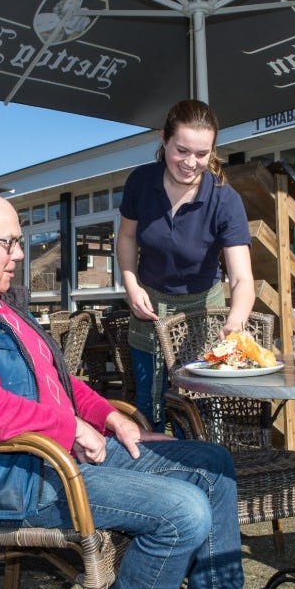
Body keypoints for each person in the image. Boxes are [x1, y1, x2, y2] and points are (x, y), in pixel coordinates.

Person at [0, 192, 251, 589]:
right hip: (13, 478)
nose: (20, 253)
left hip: (59, 455)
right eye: (8, 243)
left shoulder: (6, 307)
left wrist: (110, 418)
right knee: (184, 511)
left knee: (212, 466)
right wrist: (71, 428)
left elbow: (62, 384)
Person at [116, 99, 255, 431]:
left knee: (197, 409)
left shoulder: (226, 200)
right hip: (149, 306)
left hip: (202, 308)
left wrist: (235, 321)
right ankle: (153, 477)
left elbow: (241, 277)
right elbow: (126, 238)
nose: (191, 163)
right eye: (182, 150)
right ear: (164, 139)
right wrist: (131, 284)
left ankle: (196, 477)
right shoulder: (140, 182)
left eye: (202, 154)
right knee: (150, 406)